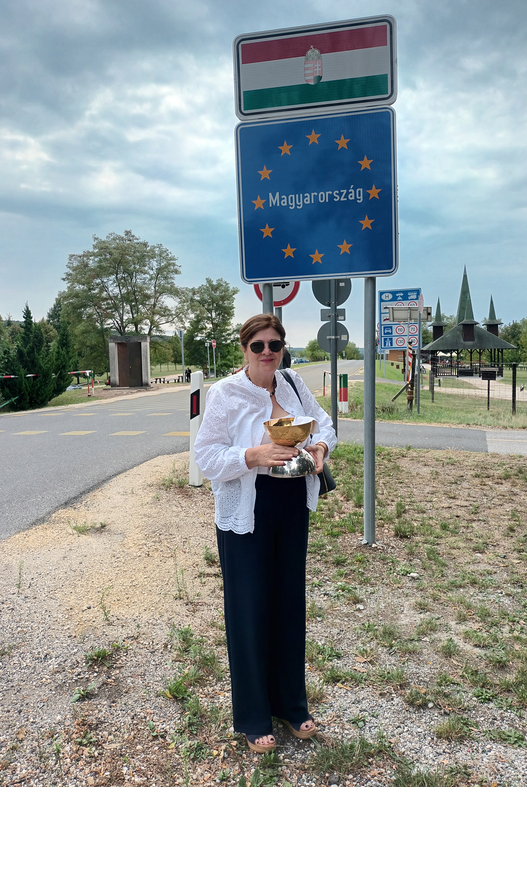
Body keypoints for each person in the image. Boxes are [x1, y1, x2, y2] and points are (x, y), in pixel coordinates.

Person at [193, 314, 336, 753]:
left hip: (292, 505)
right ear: (244, 349)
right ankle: (255, 716)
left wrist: (319, 447)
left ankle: (292, 706)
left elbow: (324, 422)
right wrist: (252, 454)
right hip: (247, 512)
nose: (268, 352)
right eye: (258, 346)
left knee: (289, 604)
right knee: (250, 609)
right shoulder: (225, 394)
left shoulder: (291, 383)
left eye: (275, 344)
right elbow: (207, 457)